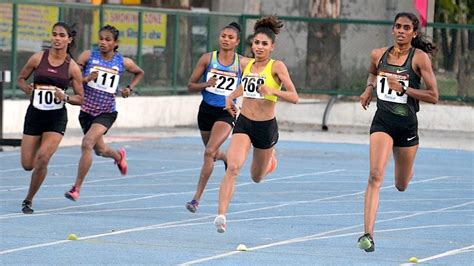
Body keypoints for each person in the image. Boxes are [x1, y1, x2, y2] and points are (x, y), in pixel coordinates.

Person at [357, 12, 438, 252]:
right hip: (382, 122)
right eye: (397, 27)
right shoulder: (378, 54)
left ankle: (407, 170)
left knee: (401, 184)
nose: (401, 31)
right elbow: (373, 72)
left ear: (414, 33)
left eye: (406, 28)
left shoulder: (419, 59)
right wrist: (369, 89)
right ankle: (367, 234)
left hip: (406, 127)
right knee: (374, 175)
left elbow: (434, 96)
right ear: (392, 29)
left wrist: (404, 88)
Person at [213, 16, 299, 233]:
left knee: (256, 177)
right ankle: (221, 215)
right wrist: (230, 97)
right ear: (251, 45)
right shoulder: (246, 64)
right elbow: (244, 86)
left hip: (265, 127)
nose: (259, 47)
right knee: (233, 167)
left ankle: (270, 161)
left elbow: (294, 96)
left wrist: (273, 91)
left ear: (272, 47)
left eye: (264, 44)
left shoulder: (277, 67)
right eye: (256, 43)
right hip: (244, 122)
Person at [64, 25, 144, 201]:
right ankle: (118, 156)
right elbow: (72, 80)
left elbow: (139, 72)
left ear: (115, 43)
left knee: (87, 143)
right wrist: (85, 79)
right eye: (100, 38)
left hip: (106, 112)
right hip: (86, 110)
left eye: (108, 39)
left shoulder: (123, 62)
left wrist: (129, 88)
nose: (103, 42)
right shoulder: (87, 56)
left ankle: (76, 188)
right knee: (100, 150)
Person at [17, 22, 84, 214]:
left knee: (43, 158)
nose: (57, 38)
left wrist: (67, 98)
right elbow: (21, 79)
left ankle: (28, 199)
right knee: (28, 165)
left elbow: (80, 98)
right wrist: (26, 88)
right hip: (35, 115)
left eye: (62, 35)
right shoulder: (38, 58)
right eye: (54, 34)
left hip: (56, 118)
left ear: (69, 40)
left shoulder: (72, 67)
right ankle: (37, 151)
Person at [185, 22, 248, 213]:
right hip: (205, 111)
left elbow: (247, 86)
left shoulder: (242, 63)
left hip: (225, 112)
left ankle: (196, 199)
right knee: (212, 152)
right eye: (223, 36)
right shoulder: (208, 58)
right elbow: (190, 85)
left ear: (237, 42)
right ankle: (227, 158)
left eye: (230, 37)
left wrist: (235, 102)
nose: (226, 40)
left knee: (209, 151)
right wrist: (206, 84)